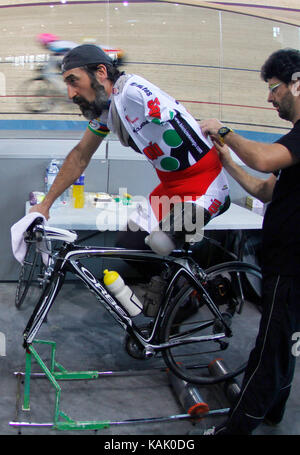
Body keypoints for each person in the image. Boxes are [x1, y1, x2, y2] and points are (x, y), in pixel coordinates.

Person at [30, 43, 230, 257]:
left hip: (206, 185)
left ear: (101, 72)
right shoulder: (107, 111)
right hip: (172, 187)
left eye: (74, 81)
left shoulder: (131, 90)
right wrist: (45, 205)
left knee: (161, 242)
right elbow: (80, 156)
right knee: (129, 244)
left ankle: (210, 283)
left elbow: (166, 109)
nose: (70, 94)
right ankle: (173, 286)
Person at [199, 47, 300, 435]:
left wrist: (222, 129)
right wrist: (228, 162)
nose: (270, 97)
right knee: (283, 342)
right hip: (281, 262)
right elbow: (264, 188)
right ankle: (273, 409)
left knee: (268, 352)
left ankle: (236, 429)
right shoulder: (293, 141)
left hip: (291, 266)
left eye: (274, 88)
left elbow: (261, 159)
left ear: (296, 84)